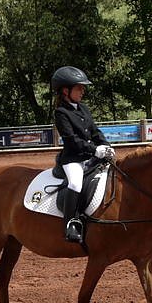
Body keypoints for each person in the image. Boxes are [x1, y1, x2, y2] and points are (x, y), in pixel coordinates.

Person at [52, 66, 114, 242]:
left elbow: (95, 131)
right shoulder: (61, 113)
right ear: (66, 90)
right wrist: (94, 150)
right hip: (73, 159)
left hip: (90, 156)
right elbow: (71, 141)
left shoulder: (83, 108)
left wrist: (106, 146)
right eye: (79, 88)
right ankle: (70, 224)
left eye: (83, 88)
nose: (83, 91)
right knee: (75, 184)